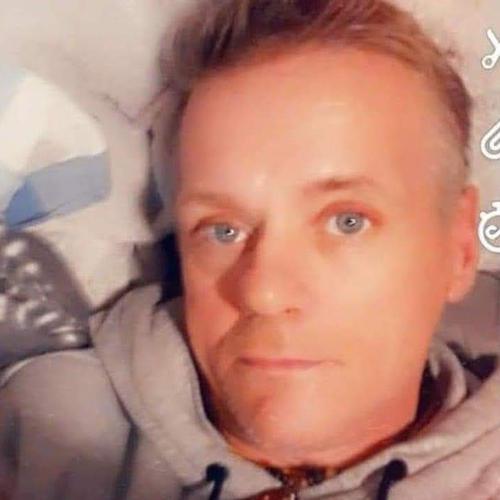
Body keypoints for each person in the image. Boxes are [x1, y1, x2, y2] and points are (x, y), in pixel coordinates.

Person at [1, 0, 499, 498]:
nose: (262, 292)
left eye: (347, 222)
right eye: (222, 230)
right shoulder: (43, 435)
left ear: (458, 247)